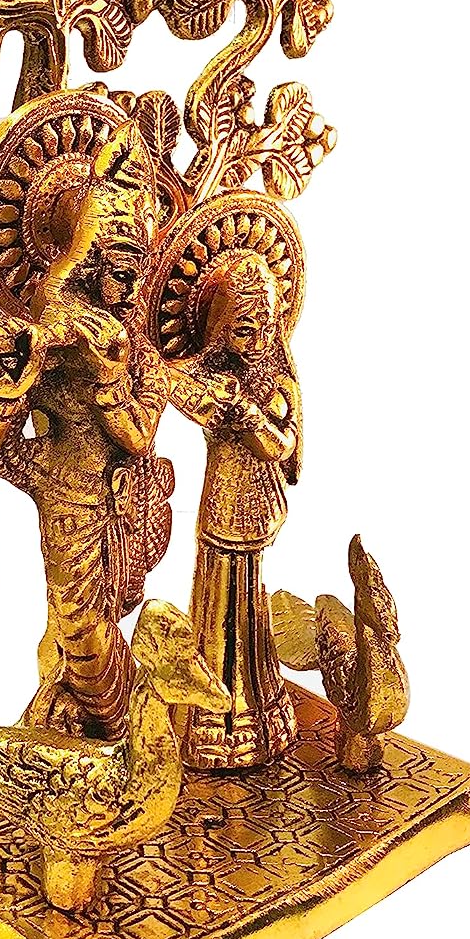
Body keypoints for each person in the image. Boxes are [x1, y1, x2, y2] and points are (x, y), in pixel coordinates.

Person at [0, 122, 172, 740]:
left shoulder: (134, 341)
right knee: (73, 622)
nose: (126, 286)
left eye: (136, 271)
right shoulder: (55, 325)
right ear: (83, 259)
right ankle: (103, 719)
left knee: (85, 623)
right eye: (114, 269)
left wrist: (111, 381)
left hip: (113, 496)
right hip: (55, 480)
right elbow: (0, 382)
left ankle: (117, 725)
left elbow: (140, 435)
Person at [171, 248, 301, 768]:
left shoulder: (276, 380)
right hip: (221, 503)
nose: (258, 340)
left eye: (266, 327)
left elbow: (283, 446)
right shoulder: (206, 376)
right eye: (245, 329)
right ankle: (206, 715)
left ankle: (255, 708)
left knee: (248, 606)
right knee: (215, 603)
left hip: (255, 504)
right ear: (220, 327)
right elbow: (172, 384)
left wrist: (251, 418)